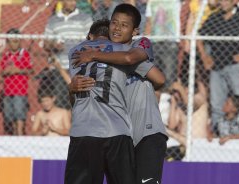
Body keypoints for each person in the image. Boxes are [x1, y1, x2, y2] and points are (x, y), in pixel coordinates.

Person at [70, 4, 168, 184]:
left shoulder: (137, 47)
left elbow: (159, 79)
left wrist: (94, 54)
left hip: (146, 132)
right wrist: (72, 87)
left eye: (124, 25)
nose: (117, 28)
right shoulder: (103, 60)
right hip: (121, 134)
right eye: (114, 23)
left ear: (134, 30)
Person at [197, 0, 239, 135]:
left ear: (234, 2)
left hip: (236, 67)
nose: (222, 3)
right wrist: (205, 56)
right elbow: (200, 36)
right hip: (216, 67)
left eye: (225, 1)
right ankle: (219, 133)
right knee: (217, 104)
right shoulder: (215, 17)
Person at [0, 28, 34, 135]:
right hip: (8, 90)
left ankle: (19, 134)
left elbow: (31, 69)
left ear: (19, 41)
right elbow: (2, 71)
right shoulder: (6, 55)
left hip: (20, 90)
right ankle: (15, 134)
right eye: (11, 41)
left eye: (16, 41)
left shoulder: (24, 54)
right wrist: (7, 71)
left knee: (19, 114)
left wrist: (18, 70)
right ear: (8, 42)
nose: (14, 44)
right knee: (10, 115)